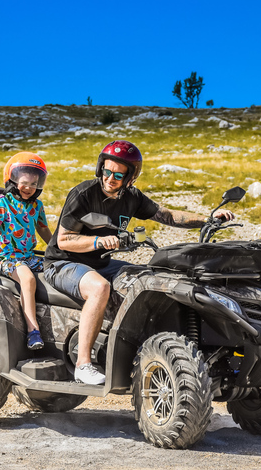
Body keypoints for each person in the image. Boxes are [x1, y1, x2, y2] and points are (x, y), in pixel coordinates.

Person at [44, 140, 235, 384]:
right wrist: (99, 241)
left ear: (130, 178)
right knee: (99, 288)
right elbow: (64, 241)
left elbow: (167, 215)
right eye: (107, 171)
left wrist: (207, 219)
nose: (110, 178)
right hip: (62, 263)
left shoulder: (131, 197)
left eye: (118, 175)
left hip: (100, 263)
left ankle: (144, 349)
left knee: (150, 278)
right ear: (100, 168)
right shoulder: (83, 194)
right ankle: (83, 364)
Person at [0, 152, 53, 350]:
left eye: (34, 184)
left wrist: (57, 250)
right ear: (12, 180)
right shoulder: (1, 202)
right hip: (7, 257)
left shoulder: (37, 205)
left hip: (29, 256)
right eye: (24, 183)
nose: (29, 188)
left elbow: (43, 229)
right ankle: (33, 331)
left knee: (58, 268)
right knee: (28, 279)